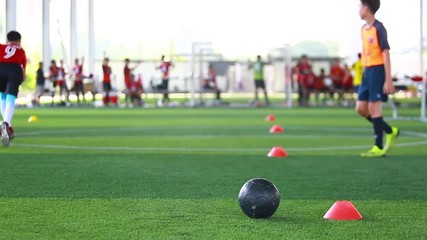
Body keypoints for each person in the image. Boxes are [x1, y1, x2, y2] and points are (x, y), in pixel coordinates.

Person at [356, 0, 399, 157]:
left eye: (360, 6)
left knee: (374, 108)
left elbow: (386, 54)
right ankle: (389, 130)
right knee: (361, 108)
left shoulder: (379, 28)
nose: (358, 9)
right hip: (367, 72)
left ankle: (378, 147)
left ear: (367, 8)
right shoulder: (363, 29)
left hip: (378, 71)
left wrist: (388, 79)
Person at [0, 31, 27, 147]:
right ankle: (6, 124)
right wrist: (21, 79)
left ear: (7, 40)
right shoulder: (21, 50)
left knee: (3, 98)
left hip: (1, 68)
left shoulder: (1, 46)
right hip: (14, 70)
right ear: (18, 41)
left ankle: (7, 126)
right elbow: (23, 70)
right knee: (11, 99)